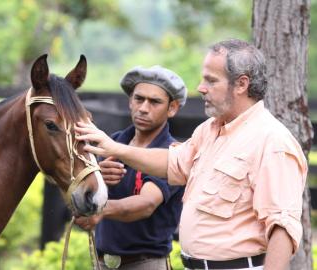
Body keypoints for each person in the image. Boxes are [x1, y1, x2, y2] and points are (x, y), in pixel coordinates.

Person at [75, 39, 307, 270]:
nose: (201, 88)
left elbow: (282, 227)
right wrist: (113, 147)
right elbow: (172, 162)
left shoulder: (273, 141)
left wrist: (101, 209)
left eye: (211, 80)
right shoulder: (209, 130)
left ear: (241, 84)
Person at [75, 65, 188, 270]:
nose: (144, 108)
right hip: (101, 263)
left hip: (146, 264)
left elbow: (146, 204)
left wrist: (100, 210)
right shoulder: (115, 142)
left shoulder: (172, 153)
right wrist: (98, 179)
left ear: (172, 108)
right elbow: (82, 191)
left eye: (155, 102)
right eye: (139, 99)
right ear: (130, 101)